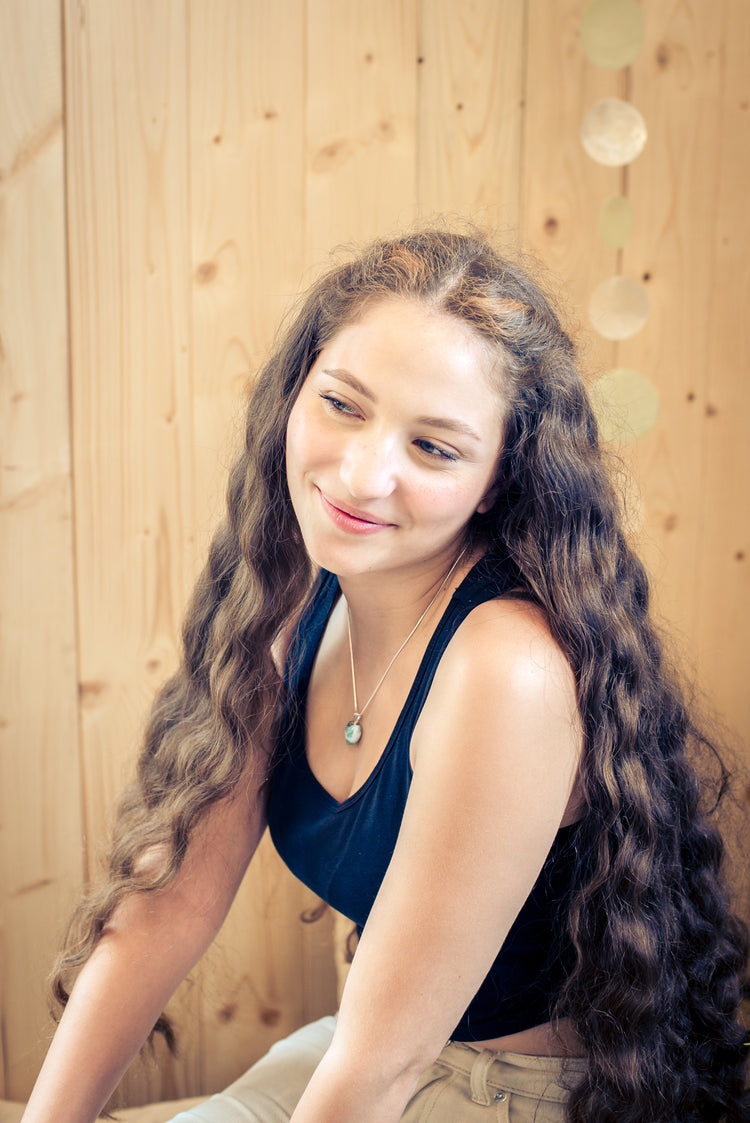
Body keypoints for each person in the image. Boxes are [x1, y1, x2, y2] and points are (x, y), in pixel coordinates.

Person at [21, 229, 749, 1123]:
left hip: (506, 1095)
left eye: (434, 448)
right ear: (297, 390)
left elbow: (378, 1071)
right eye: (342, 405)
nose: (363, 476)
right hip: (361, 1043)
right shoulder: (288, 598)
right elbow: (164, 911)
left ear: (495, 479)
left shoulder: (506, 670)